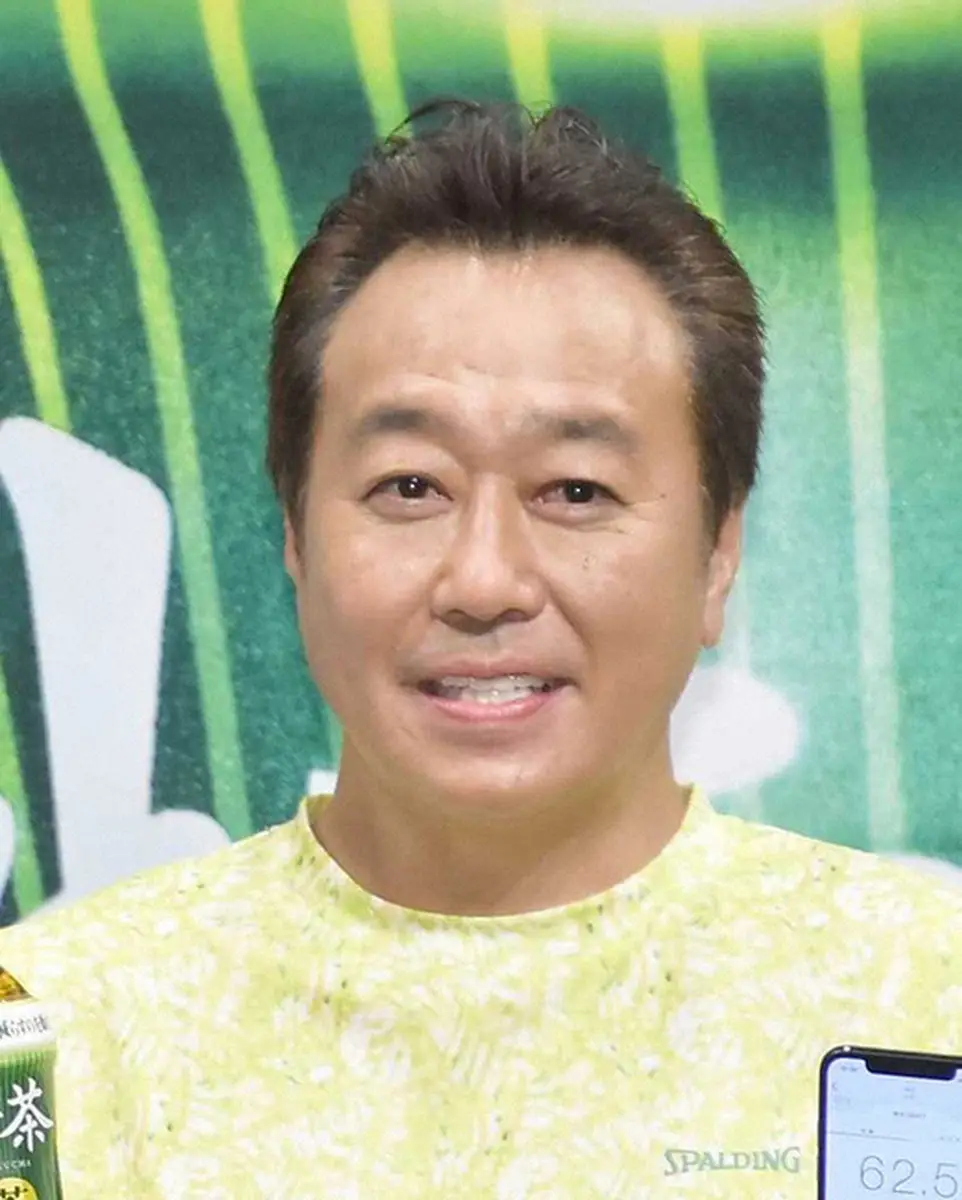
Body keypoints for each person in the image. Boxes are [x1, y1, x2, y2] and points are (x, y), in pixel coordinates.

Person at [1, 99, 960, 1199]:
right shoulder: (55, 1032)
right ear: (294, 534)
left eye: (575, 490)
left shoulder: (921, 996)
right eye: (410, 486)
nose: (484, 581)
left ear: (718, 554)